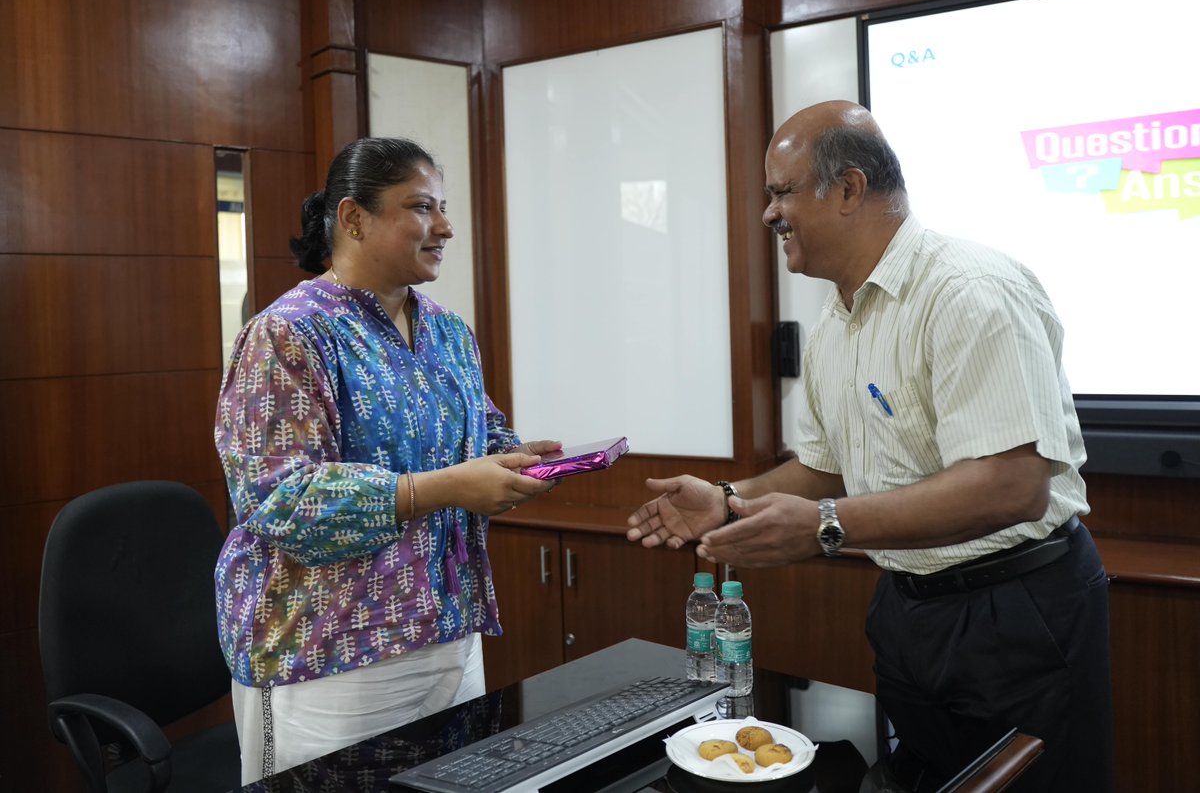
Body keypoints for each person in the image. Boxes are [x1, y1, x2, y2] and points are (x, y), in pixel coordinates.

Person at [626, 101, 1113, 791]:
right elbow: (824, 469)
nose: (769, 215)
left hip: (1015, 608)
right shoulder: (839, 323)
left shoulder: (968, 290)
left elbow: (1013, 484)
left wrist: (829, 524)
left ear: (849, 189)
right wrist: (730, 500)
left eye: (781, 192)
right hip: (908, 609)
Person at [214, 136, 561, 783]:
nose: (446, 227)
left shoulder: (448, 329)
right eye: (422, 207)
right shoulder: (289, 334)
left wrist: (511, 458)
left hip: (450, 641)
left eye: (443, 208)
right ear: (353, 218)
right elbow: (277, 498)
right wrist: (443, 487)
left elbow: (474, 431)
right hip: (328, 657)